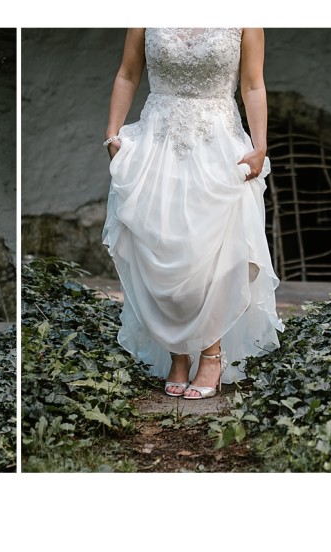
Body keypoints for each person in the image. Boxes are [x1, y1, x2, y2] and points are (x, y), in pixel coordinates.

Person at [102, 28, 283, 400]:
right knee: (165, 244)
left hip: (216, 140)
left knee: (211, 249)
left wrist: (260, 145)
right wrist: (112, 133)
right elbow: (127, 73)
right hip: (158, 139)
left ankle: (212, 355)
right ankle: (178, 354)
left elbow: (252, 84)